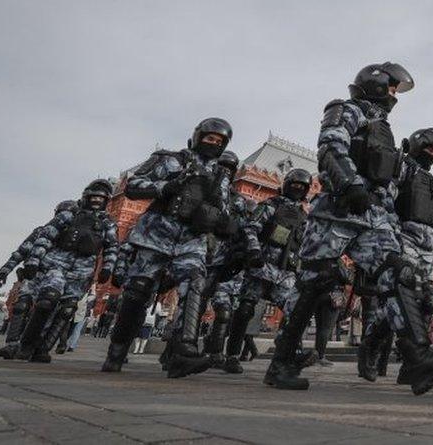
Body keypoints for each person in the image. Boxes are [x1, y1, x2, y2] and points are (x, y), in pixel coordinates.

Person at [268, 62, 433, 393]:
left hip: (374, 218)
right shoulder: (346, 110)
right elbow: (331, 146)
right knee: (314, 283)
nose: (394, 95)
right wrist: (349, 183)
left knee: (396, 272)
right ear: (374, 84)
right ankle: (282, 361)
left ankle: (417, 359)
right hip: (338, 211)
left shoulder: (383, 128)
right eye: (391, 88)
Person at [99, 117, 235, 378]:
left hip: (191, 240)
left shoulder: (221, 176)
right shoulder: (170, 160)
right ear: (197, 137)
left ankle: (183, 352)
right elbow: (133, 187)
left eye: (219, 142)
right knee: (138, 293)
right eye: (209, 138)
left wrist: (219, 220)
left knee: (195, 283)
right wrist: (167, 186)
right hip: (156, 234)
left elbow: (224, 211)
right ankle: (117, 351)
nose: (213, 144)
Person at [359, 127, 433, 382]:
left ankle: (408, 366)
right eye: (429, 148)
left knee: (428, 301)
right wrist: (389, 238)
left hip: (427, 245)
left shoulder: (432, 182)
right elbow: (384, 202)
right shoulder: (402, 167)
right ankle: (371, 346)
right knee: (403, 297)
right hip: (403, 238)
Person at [16, 180, 119, 362]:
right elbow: (47, 236)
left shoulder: (107, 223)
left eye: (100, 198)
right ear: (86, 197)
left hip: (82, 271)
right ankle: (26, 344)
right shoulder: (69, 215)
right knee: (47, 301)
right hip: (57, 263)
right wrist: (33, 260)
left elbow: (111, 247)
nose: (96, 201)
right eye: (93, 197)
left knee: (67, 310)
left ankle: (43, 348)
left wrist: (108, 268)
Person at [224, 168, 312, 374]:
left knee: (294, 313)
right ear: (286, 185)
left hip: (286, 273)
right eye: (295, 185)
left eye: (302, 187)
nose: (297, 189)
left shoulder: (304, 217)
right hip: (261, 266)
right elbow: (251, 228)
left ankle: (290, 354)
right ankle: (232, 355)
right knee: (245, 309)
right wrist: (254, 251)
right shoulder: (271, 206)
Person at [0, 200, 77, 359]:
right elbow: (23, 250)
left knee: (50, 309)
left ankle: (40, 347)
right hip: (36, 275)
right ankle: (12, 344)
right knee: (22, 305)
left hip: (57, 279)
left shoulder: (73, 237)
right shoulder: (42, 231)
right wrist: (5, 270)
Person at [198, 150, 254, 370]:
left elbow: (245, 228)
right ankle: (178, 350)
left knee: (224, 313)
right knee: (192, 304)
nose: (225, 172)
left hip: (225, 264)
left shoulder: (237, 200)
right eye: (222, 166)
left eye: (230, 169)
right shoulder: (199, 187)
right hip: (196, 256)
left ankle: (215, 353)